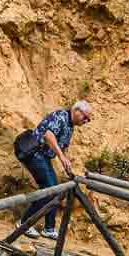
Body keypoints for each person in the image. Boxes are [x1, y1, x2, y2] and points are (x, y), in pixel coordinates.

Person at [17, 100, 93, 239]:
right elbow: (48, 135)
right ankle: (24, 223)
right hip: (34, 152)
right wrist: (61, 157)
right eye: (86, 117)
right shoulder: (61, 116)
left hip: (43, 156)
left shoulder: (70, 125)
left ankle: (49, 228)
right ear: (77, 111)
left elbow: (63, 147)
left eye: (89, 119)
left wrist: (67, 165)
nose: (87, 121)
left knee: (54, 190)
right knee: (50, 189)